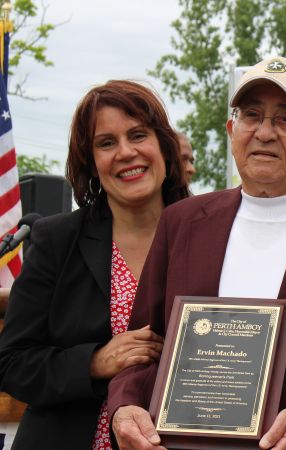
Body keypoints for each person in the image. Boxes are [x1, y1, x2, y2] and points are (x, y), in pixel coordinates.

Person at [107, 56, 286, 450]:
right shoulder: (181, 224)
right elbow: (143, 348)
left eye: (285, 119)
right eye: (251, 115)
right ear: (232, 130)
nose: (264, 132)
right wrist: (125, 407)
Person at [0, 80, 190, 449]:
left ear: (164, 148)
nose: (126, 152)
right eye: (106, 143)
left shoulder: (208, 235)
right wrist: (94, 362)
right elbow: (10, 362)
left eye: (138, 135)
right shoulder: (57, 239)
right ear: (91, 161)